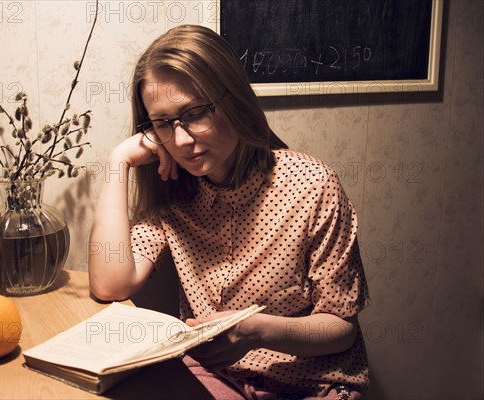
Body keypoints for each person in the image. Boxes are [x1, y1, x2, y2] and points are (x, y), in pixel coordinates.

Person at [89, 25, 370, 399]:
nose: (183, 141)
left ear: (234, 98)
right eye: (163, 123)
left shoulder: (312, 185)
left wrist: (258, 331)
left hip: (313, 384)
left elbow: (341, 327)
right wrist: (118, 161)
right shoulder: (174, 194)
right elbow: (111, 284)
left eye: (196, 113)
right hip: (217, 377)